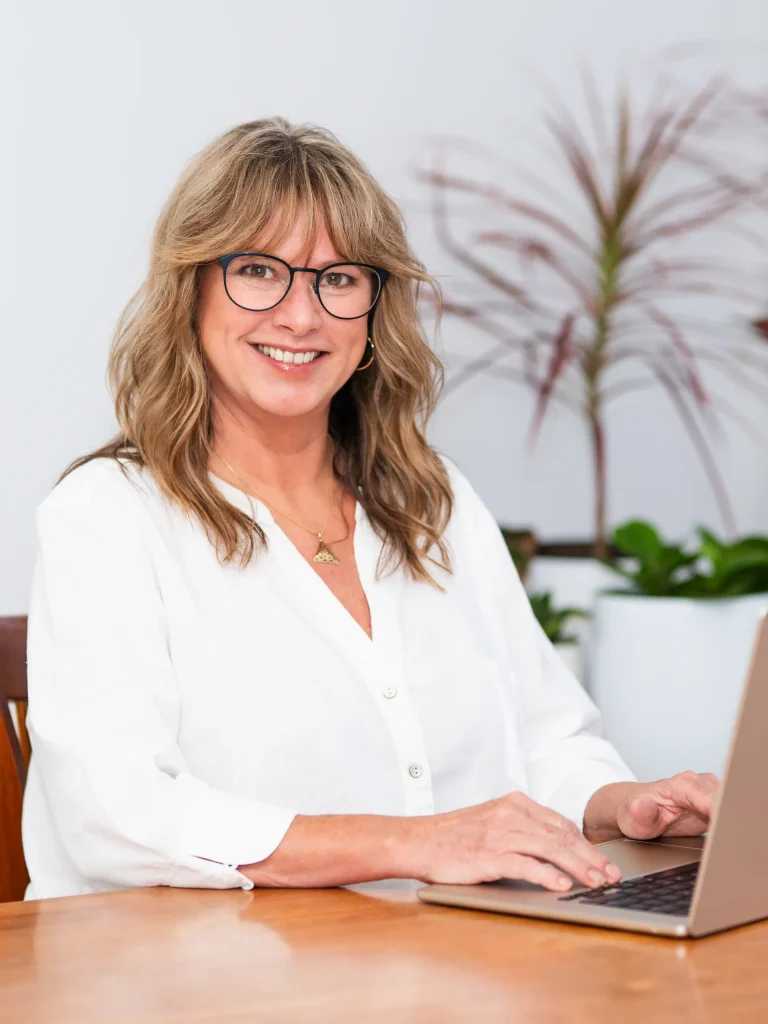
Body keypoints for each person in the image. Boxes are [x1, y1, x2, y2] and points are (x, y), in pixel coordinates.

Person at [22, 117, 717, 900]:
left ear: (374, 315)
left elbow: (546, 740)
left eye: (340, 278)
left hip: (440, 965)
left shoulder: (434, 500)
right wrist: (415, 845)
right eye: (258, 269)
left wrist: (626, 807)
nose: (300, 315)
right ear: (191, 289)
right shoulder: (106, 518)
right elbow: (118, 816)